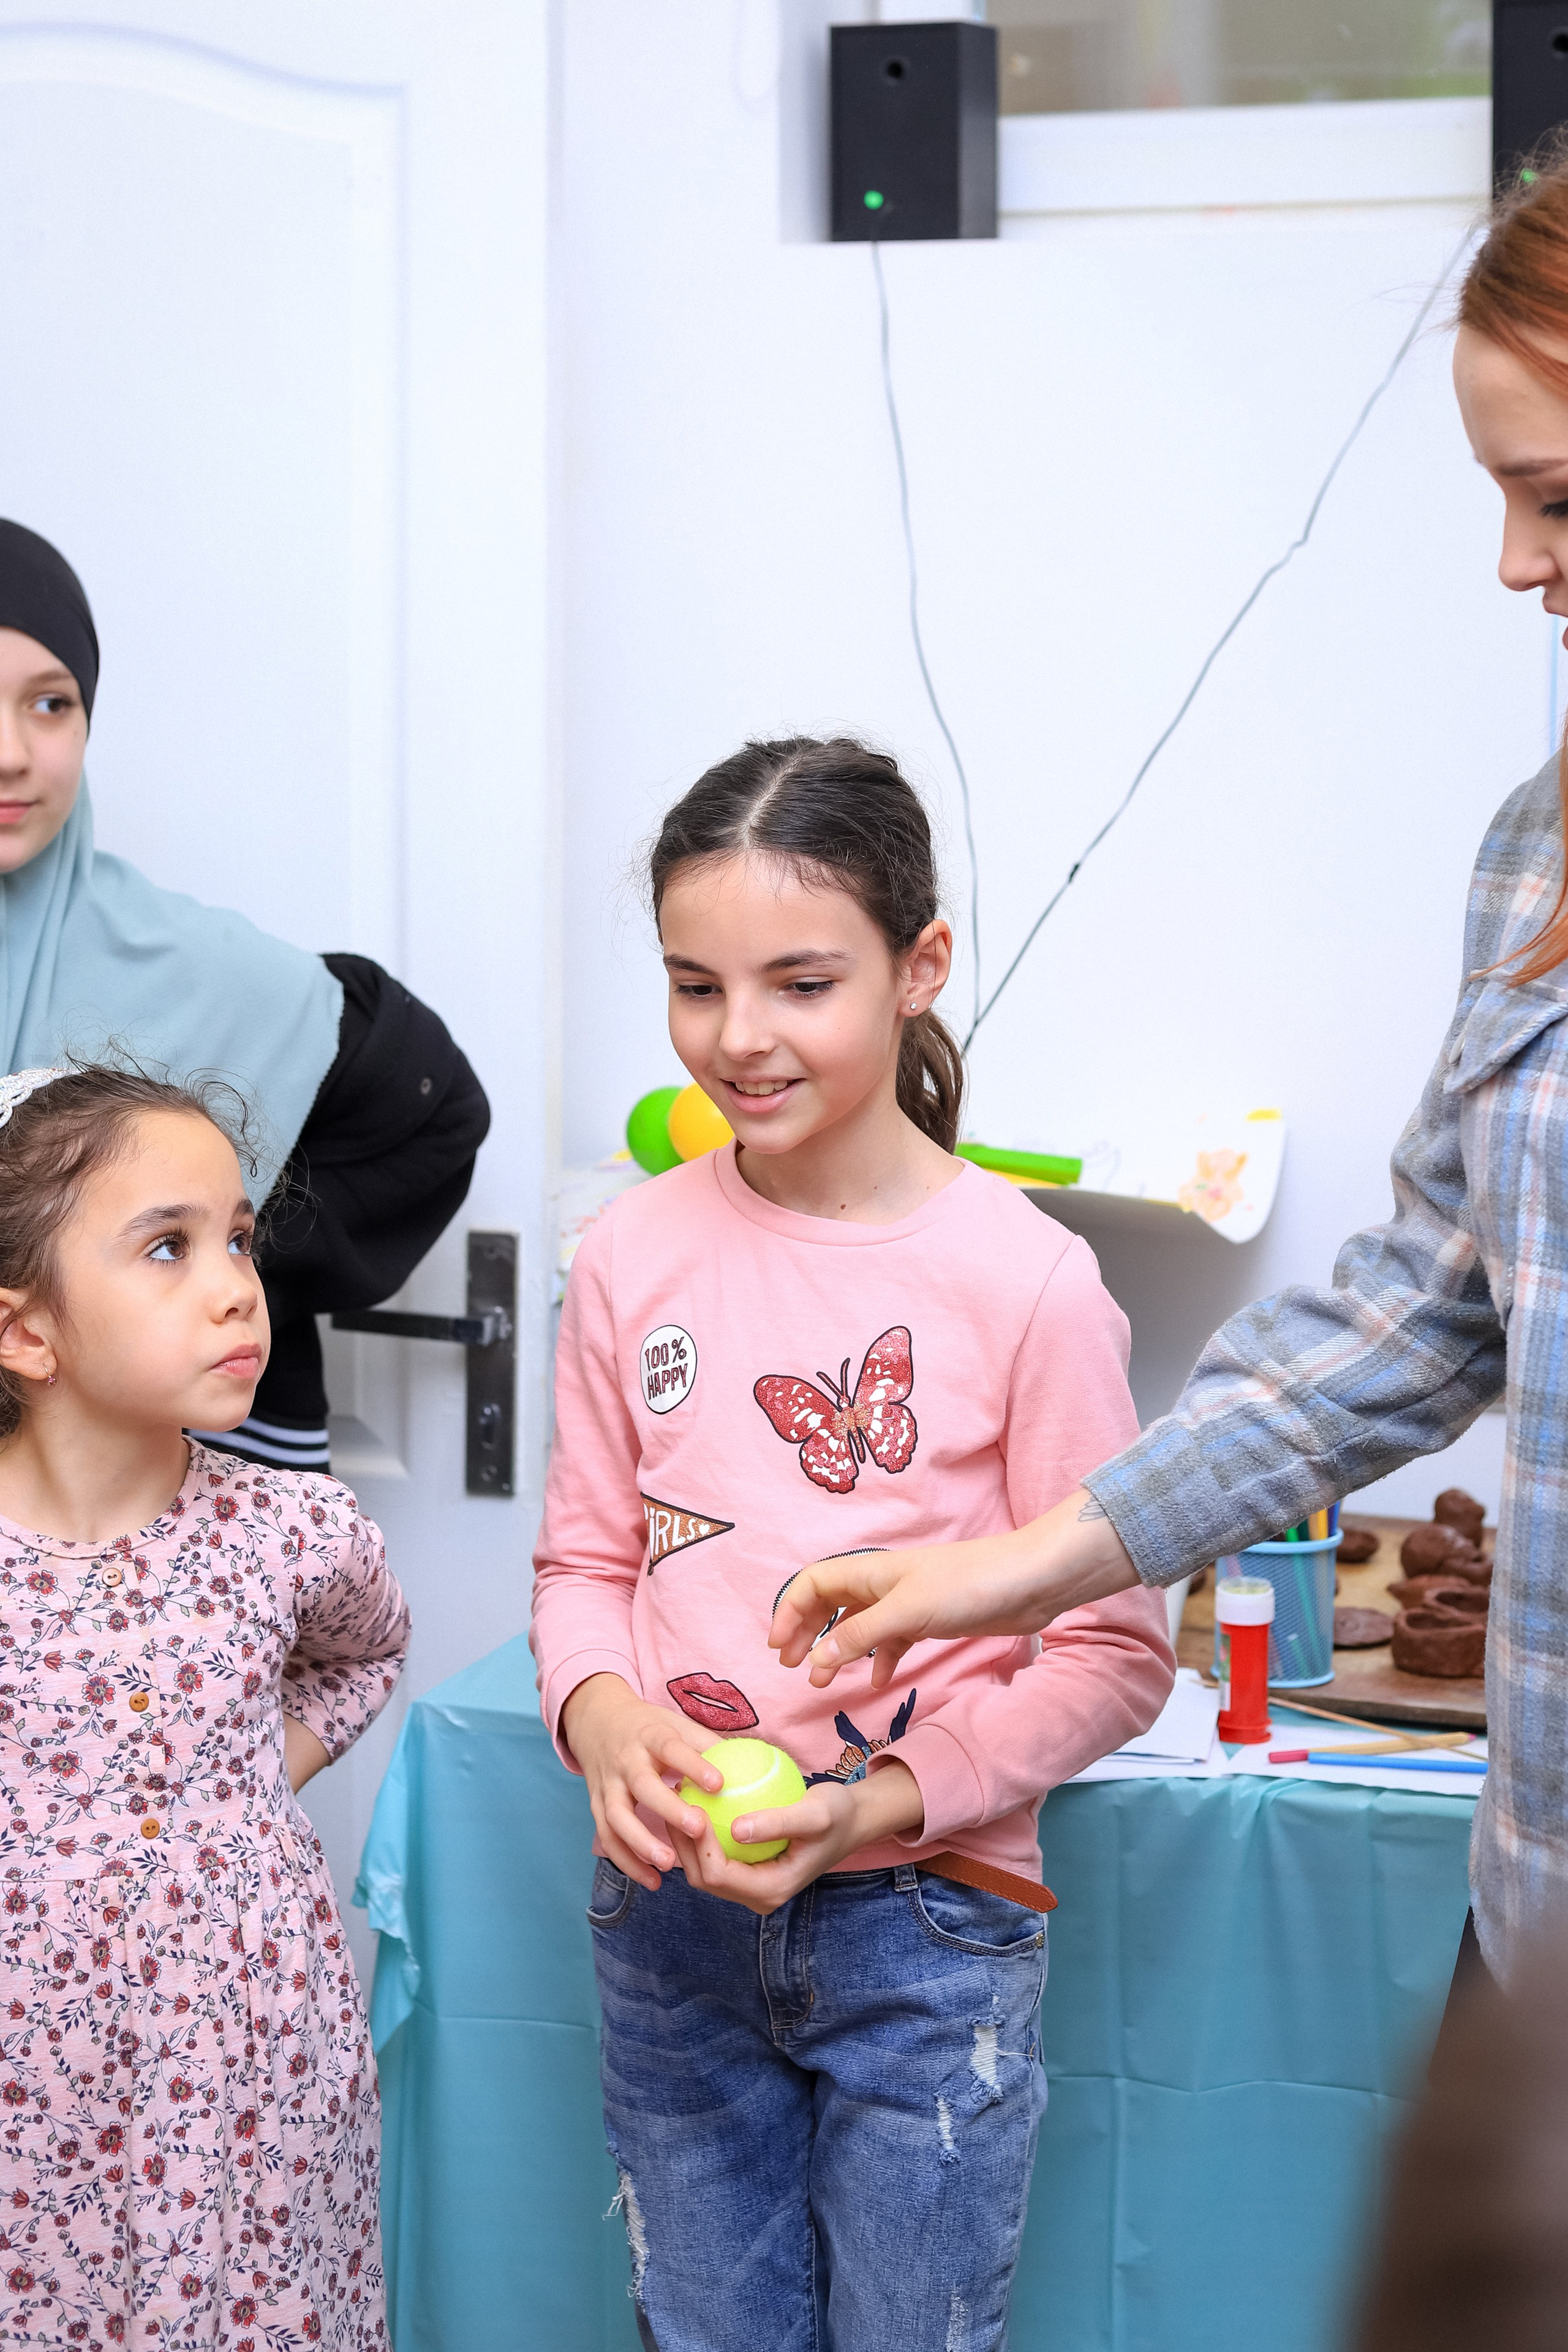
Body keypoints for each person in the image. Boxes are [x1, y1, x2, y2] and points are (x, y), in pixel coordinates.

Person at [769, 160, 1568, 1992]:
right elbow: (1422, 1313)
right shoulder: (1540, 854)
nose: (1517, 563)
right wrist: (1028, 1561)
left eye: (1557, 497)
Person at [530, 737, 1174, 2351]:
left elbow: (1111, 1652)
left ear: (919, 968)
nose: (736, 1038)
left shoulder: (1028, 1286)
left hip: (929, 1928)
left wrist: (881, 1800)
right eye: (694, 985)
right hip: (670, 1914)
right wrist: (602, 1720)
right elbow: (587, 1566)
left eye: (799, 983)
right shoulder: (630, 1253)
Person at [0, 1062, 409, 2349]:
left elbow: (365, 1652)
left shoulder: (292, 1532)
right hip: (30, 2099)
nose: (237, 1285)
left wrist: (234, 1783)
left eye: (236, 1237)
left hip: (249, 2086)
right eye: (167, 1249)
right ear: (27, 1332)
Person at [0, 520, 490, 1474]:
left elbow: (434, 1117)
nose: (13, 752)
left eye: (51, 704)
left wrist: (184, 1262)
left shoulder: (189, 965)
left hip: (172, 1535)